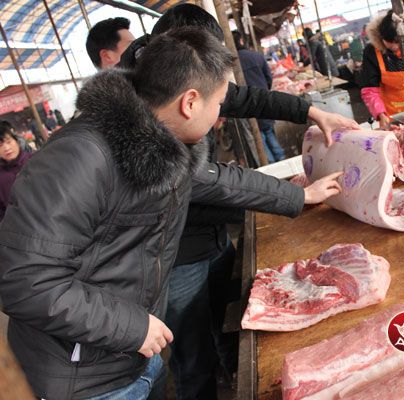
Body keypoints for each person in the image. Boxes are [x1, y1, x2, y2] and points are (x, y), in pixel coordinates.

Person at [0, 27, 342, 400]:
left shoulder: (159, 141)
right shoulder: (79, 158)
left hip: (132, 353)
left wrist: (299, 195)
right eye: (219, 104)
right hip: (84, 378)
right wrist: (132, 327)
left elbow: (221, 180)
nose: (219, 115)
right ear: (190, 102)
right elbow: (26, 282)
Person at [118, 4, 360, 399]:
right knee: (194, 359)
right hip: (171, 256)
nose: (220, 110)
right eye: (214, 102)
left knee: (232, 329)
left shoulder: (182, 77)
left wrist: (312, 112)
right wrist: (298, 194)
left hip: (209, 236)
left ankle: (235, 380)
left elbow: (247, 99)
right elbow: (206, 179)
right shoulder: (137, 111)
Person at [232, 30, 286, 163]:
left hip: (246, 105)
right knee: (268, 130)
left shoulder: (231, 64)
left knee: (259, 137)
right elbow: (269, 78)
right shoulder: (256, 56)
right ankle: (281, 159)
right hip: (263, 100)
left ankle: (271, 163)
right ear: (241, 41)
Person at [0, 121, 33, 221]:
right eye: (0, 145)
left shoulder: (36, 160)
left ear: (17, 141)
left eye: (8, 141)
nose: (6, 148)